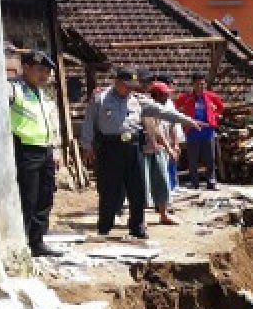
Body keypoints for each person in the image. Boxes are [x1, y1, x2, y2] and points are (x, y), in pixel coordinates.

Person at [80, 68, 202, 239]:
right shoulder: (100, 98)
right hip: (110, 148)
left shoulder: (138, 101)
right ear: (117, 82)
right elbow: (89, 121)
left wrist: (188, 120)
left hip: (133, 147)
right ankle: (104, 226)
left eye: (132, 86)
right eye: (127, 85)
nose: (130, 89)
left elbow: (163, 111)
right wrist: (87, 145)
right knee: (109, 189)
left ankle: (137, 226)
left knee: (137, 189)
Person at [9, 50, 62, 257]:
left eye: (47, 72)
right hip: (26, 150)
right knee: (28, 199)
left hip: (45, 150)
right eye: (40, 70)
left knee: (45, 198)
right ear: (27, 68)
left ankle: (37, 242)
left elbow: (53, 123)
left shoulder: (44, 94)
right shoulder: (15, 90)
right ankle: (23, 242)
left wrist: (55, 149)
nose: (44, 75)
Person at [175, 72, 224, 190]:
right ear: (193, 85)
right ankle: (194, 182)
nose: (200, 87)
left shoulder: (211, 96)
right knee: (193, 159)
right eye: (198, 84)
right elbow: (175, 107)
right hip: (192, 132)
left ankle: (211, 181)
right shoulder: (186, 97)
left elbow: (221, 107)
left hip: (208, 132)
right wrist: (183, 118)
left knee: (210, 158)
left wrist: (215, 116)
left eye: (203, 84)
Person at [142, 81, 178, 226]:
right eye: (164, 95)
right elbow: (153, 130)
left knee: (162, 182)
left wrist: (169, 148)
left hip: (157, 150)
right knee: (143, 186)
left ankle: (163, 214)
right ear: (156, 95)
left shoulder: (158, 109)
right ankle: (140, 218)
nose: (167, 98)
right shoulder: (145, 107)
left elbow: (160, 131)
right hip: (143, 150)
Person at [155, 73, 182, 193]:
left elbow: (172, 124)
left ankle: (172, 186)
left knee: (172, 163)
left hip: (169, 138)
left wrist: (175, 143)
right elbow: (156, 129)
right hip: (158, 143)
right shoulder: (152, 105)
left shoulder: (169, 103)